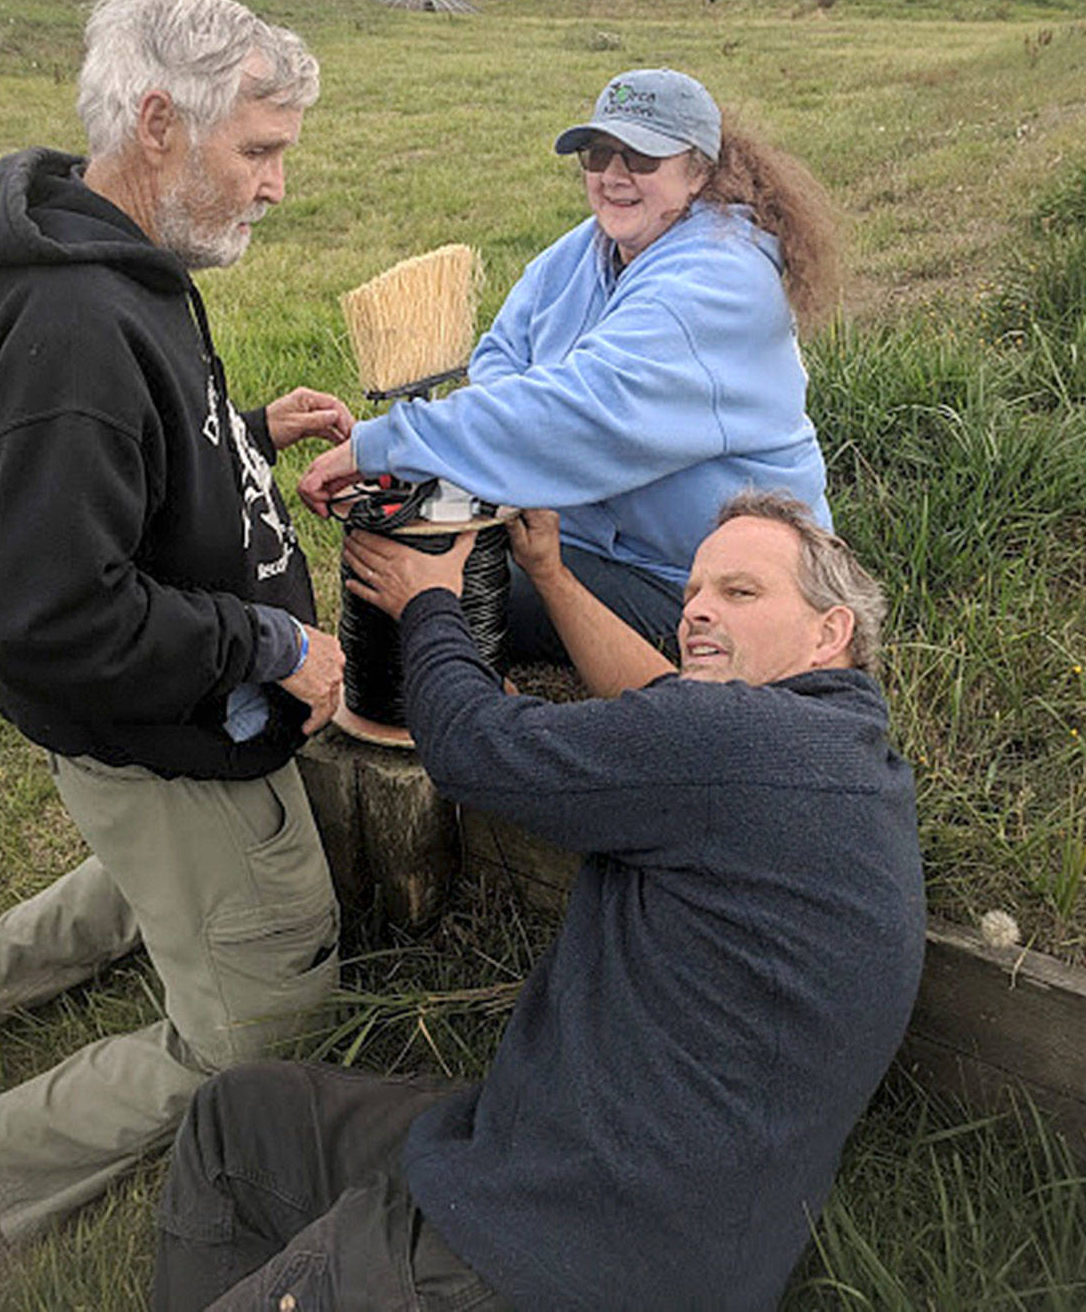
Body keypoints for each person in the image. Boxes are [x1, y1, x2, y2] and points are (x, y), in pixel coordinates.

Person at [0, 0, 349, 1296]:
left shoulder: (115, 258)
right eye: (259, 150)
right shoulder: (74, 327)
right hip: (167, 726)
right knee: (262, 1013)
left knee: (158, 880)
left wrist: (240, 442)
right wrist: (266, 646)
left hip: (155, 735)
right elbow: (53, 616)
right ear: (157, 123)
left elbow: (122, 486)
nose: (274, 184)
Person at [151, 491, 926, 1312]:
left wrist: (431, 604)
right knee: (239, 1120)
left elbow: (470, 749)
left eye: (739, 593)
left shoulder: (736, 743)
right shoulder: (836, 763)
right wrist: (549, 575)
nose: (696, 610)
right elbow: (661, 693)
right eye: (693, 592)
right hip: (591, 1184)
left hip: (546, 1254)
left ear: (829, 633)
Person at [298, 67, 838, 662]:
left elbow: (583, 408)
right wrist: (516, 441)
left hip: (696, 577)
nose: (613, 175)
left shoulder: (721, 278)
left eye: (642, 158)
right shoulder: (590, 248)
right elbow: (503, 353)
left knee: (429, 592)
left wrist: (386, 443)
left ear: (701, 171)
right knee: (413, 557)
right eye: (597, 154)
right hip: (594, 546)